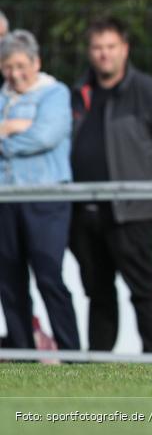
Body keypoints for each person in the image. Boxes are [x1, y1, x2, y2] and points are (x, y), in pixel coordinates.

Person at [68, 17, 152, 354]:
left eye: (110, 47)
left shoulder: (149, 93)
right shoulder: (78, 94)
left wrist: (149, 179)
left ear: (125, 49)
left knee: (143, 289)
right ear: (89, 52)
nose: (103, 54)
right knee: (98, 292)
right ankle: (97, 362)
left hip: (134, 213)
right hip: (84, 213)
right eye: (97, 47)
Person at [0, 29, 80, 352]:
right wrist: (16, 127)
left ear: (36, 63)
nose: (14, 74)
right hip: (6, 199)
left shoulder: (55, 93)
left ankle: (72, 351)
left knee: (49, 275)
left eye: (20, 65)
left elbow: (45, 137)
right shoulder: (3, 96)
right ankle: (21, 351)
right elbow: (33, 135)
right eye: (7, 66)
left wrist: (5, 133)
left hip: (46, 199)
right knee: (9, 278)